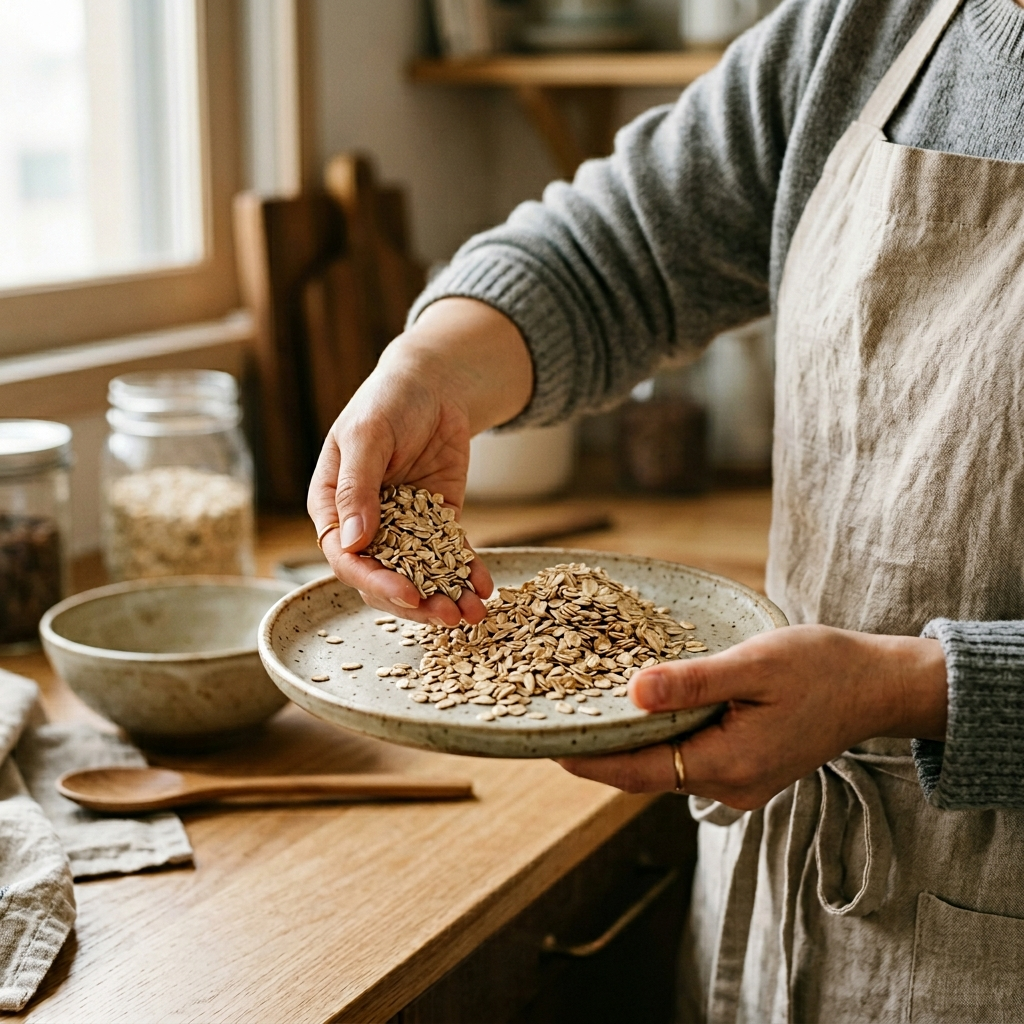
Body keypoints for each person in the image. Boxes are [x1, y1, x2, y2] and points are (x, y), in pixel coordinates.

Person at [309, 0, 1024, 1018]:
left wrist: (904, 690)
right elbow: (621, 253)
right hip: (789, 886)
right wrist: (430, 371)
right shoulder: (867, 26)